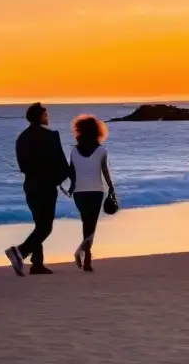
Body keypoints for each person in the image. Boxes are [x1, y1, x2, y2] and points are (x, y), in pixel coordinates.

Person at [5, 102, 70, 276]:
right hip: (46, 186)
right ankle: (20, 252)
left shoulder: (22, 138)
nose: (48, 117)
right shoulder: (51, 136)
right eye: (45, 115)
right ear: (39, 117)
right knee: (45, 227)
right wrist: (64, 179)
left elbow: (23, 166)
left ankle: (37, 265)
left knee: (39, 224)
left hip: (30, 185)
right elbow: (61, 163)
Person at [67, 114, 114, 272]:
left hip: (79, 193)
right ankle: (85, 256)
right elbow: (105, 171)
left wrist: (70, 188)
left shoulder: (74, 150)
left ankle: (85, 254)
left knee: (85, 223)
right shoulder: (101, 151)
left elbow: (72, 172)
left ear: (79, 131)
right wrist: (111, 187)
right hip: (95, 191)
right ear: (97, 131)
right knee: (91, 226)